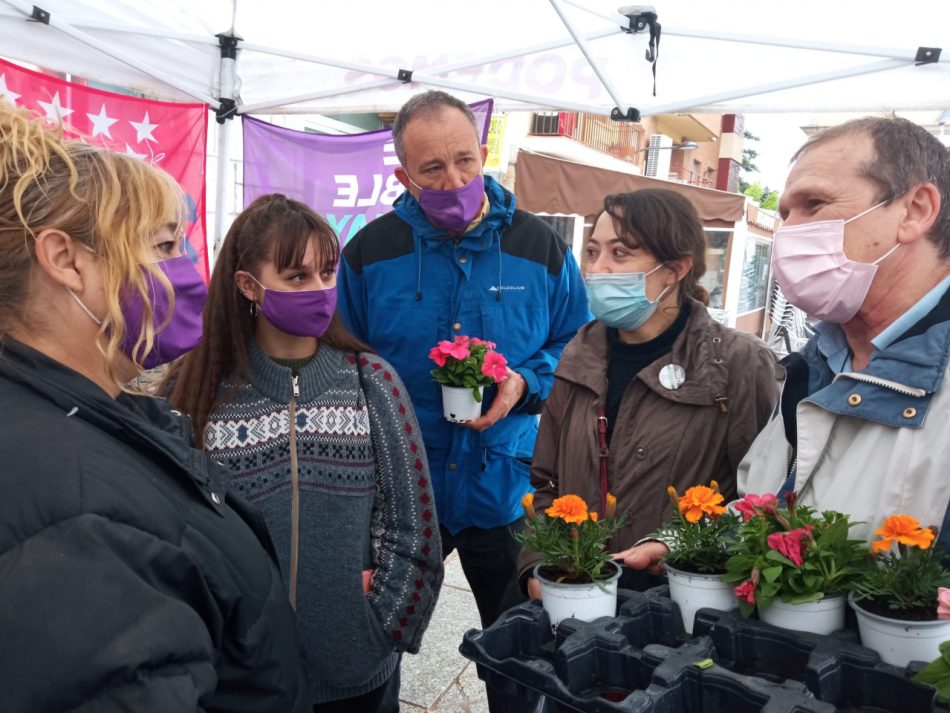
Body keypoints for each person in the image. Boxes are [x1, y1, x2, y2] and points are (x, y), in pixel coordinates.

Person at [0, 105, 309, 711]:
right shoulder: (77, 512)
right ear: (65, 260)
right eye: (164, 244)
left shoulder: (83, 411)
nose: (188, 272)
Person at [628, 115, 950, 571]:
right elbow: (770, 510)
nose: (788, 233)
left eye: (813, 204)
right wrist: (690, 543)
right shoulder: (811, 369)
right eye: (785, 214)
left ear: (915, 210)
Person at [169, 193, 443, 713]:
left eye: (326, 273)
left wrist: (382, 627)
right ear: (249, 286)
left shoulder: (371, 381)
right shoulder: (199, 392)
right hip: (244, 678)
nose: (319, 291)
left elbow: (414, 523)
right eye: (296, 277)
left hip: (358, 674)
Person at [336, 91, 591, 636]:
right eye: (432, 168)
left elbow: (577, 342)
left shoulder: (540, 246)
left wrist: (525, 382)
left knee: (518, 649)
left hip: (505, 486)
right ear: (405, 178)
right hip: (403, 488)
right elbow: (343, 359)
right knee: (372, 637)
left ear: (482, 154)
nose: (454, 180)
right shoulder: (369, 253)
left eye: (464, 161)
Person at [517, 188, 781, 590]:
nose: (598, 268)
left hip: (678, 602)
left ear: (675, 269)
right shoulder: (579, 352)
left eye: (620, 253)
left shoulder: (739, 363)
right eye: (592, 252)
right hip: (574, 588)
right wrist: (537, 568)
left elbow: (762, 500)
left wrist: (679, 547)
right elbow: (545, 482)